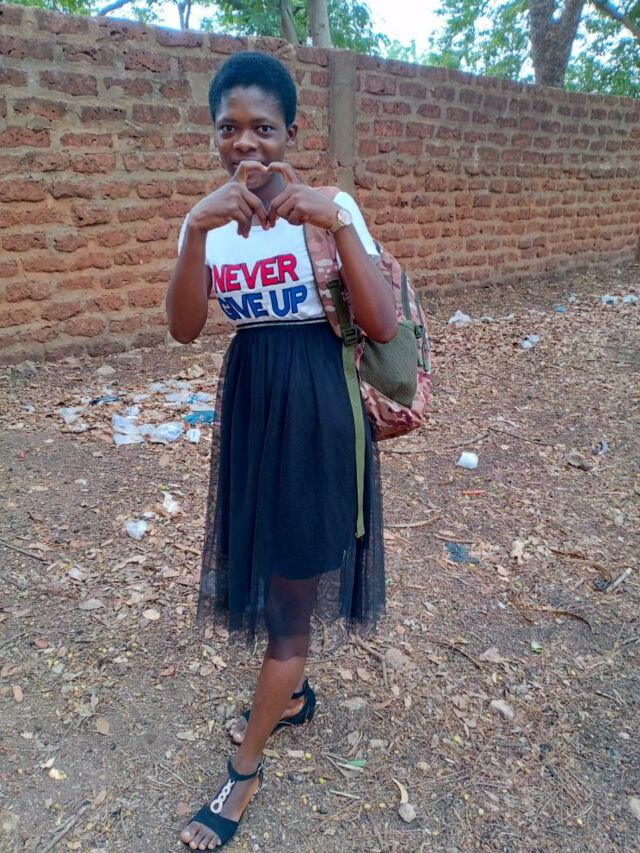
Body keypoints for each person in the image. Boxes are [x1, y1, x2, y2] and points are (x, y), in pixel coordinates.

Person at [166, 50, 396, 851]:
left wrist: (334, 220)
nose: (245, 143)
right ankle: (292, 698)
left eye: (263, 127)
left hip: (317, 413)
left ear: (291, 131)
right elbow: (185, 327)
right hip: (253, 407)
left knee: (291, 605)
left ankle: (245, 769)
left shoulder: (332, 208)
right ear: (214, 135)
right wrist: (196, 230)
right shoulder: (209, 221)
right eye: (228, 128)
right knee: (272, 564)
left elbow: (383, 322)